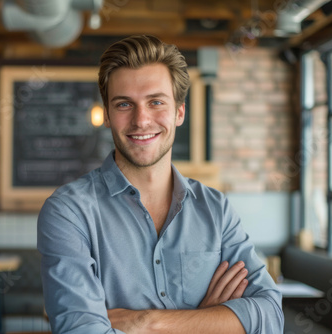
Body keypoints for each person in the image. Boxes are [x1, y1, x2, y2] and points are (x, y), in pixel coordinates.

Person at [38, 35, 284, 333]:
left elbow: (270, 317)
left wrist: (147, 322)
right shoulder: (69, 212)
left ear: (179, 112)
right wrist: (207, 321)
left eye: (156, 102)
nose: (141, 120)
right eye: (124, 104)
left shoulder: (216, 210)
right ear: (107, 115)